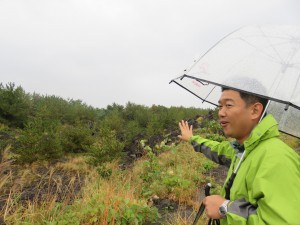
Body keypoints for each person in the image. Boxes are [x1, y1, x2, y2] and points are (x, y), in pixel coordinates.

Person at [178, 87, 300, 224]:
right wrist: (191, 139)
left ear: (255, 110)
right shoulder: (242, 150)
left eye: (229, 105)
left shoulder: (277, 158)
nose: (221, 113)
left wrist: (225, 208)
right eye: (220, 106)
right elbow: (217, 149)